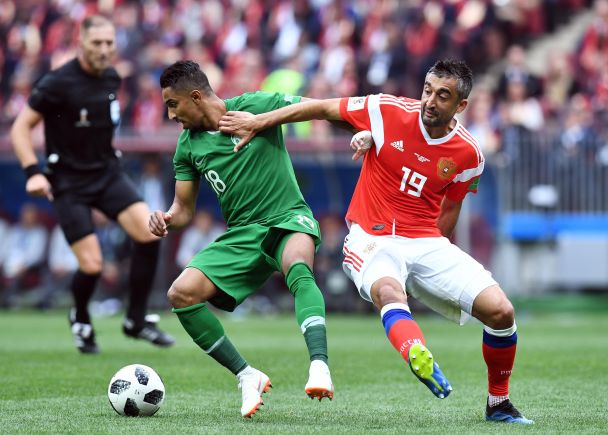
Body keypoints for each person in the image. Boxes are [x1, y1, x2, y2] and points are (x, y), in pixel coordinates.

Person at [219, 59, 533, 424]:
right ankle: (415, 349)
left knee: (501, 312)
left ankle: (499, 404)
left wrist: (433, 270)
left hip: (425, 242)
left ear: (461, 105)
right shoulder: (386, 110)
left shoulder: (469, 154)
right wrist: (260, 121)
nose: (430, 101)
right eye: (428, 90)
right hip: (371, 237)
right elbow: (320, 107)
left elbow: (450, 211)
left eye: (443, 95)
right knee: (388, 290)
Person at [148, 60, 334, 419]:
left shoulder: (255, 105)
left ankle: (319, 366)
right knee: (181, 294)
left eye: (173, 104)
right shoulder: (187, 147)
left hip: (286, 217)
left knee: (298, 267)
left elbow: (319, 107)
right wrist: (168, 218)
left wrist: (263, 121)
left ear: (196, 96)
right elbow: (183, 208)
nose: (170, 115)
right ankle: (247, 375)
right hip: (242, 235)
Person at [10, 15, 174, 353]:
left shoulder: (112, 77)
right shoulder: (57, 82)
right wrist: (32, 172)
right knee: (92, 265)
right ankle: (81, 316)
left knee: (150, 232)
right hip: (69, 182)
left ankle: (136, 320)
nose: (103, 49)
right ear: (81, 43)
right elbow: (20, 128)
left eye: (109, 42)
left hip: (107, 174)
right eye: (96, 43)